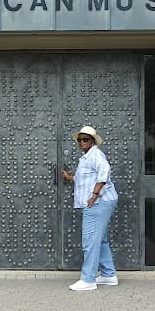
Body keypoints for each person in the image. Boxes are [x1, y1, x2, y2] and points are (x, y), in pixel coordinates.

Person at [61, 125, 119, 291]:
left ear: (93, 141)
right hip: (100, 202)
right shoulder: (86, 157)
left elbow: (104, 171)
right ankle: (108, 275)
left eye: (85, 139)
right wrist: (70, 177)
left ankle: (88, 280)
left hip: (98, 202)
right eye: (79, 140)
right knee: (100, 240)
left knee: (90, 241)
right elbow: (85, 177)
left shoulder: (96, 154)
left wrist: (94, 194)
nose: (81, 142)